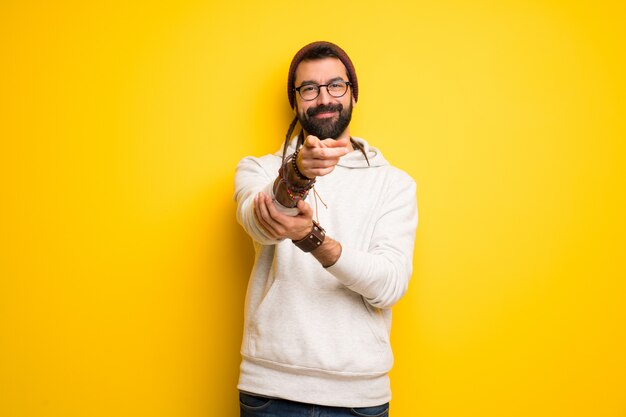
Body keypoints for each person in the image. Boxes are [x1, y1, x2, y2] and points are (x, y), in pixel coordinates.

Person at [234, 41, 418, 417]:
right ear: (295, 99)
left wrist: (312, 240)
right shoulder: (259, 170)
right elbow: (260, 221)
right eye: (309, 89)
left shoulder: (395, 184)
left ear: (352, 93)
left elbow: (389, 285)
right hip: (270, 391)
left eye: (336, 85)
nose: (324, 98)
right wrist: (297, 174)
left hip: (359, 400)